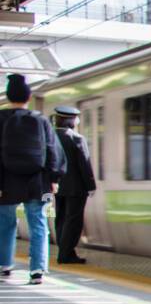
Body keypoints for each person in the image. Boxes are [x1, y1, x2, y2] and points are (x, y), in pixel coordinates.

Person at [0, 74, 66, 284]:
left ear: (8, 96)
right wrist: (54, 179)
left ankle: (4, 265)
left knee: (5, 223)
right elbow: (52, 150)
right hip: (37, 181)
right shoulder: (41, 120)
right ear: (28, 97)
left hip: (6, 180)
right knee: (38, 223)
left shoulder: (1, 119)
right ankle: (37, 270)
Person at [52, 104, 96, 264]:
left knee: (61, 218)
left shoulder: (51, 137)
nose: (77, 120)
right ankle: (66, 254)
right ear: (71, 120)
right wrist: (91, 185)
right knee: (74, 220)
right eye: (76, 118)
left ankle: (63, 251)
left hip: (57, 186)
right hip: (76, 188)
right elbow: (84, 163)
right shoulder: (77, 138)